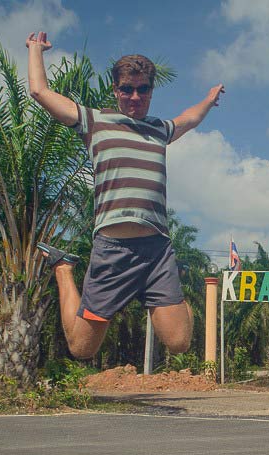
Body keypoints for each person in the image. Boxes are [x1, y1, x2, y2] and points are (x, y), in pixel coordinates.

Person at [26, 31, 224, 359]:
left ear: (150, 90)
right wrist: (36, 50)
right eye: (127, 89)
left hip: (156, 250)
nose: (135, 97)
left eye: (143, 89)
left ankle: (168, 286)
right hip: (112, 251)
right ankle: (63, 268)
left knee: (179, 343)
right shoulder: (94, 121)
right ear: (116, 90)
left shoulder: (159, 129)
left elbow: (190, 118)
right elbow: (40, 91)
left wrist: (209, 98)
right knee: (82, 349)